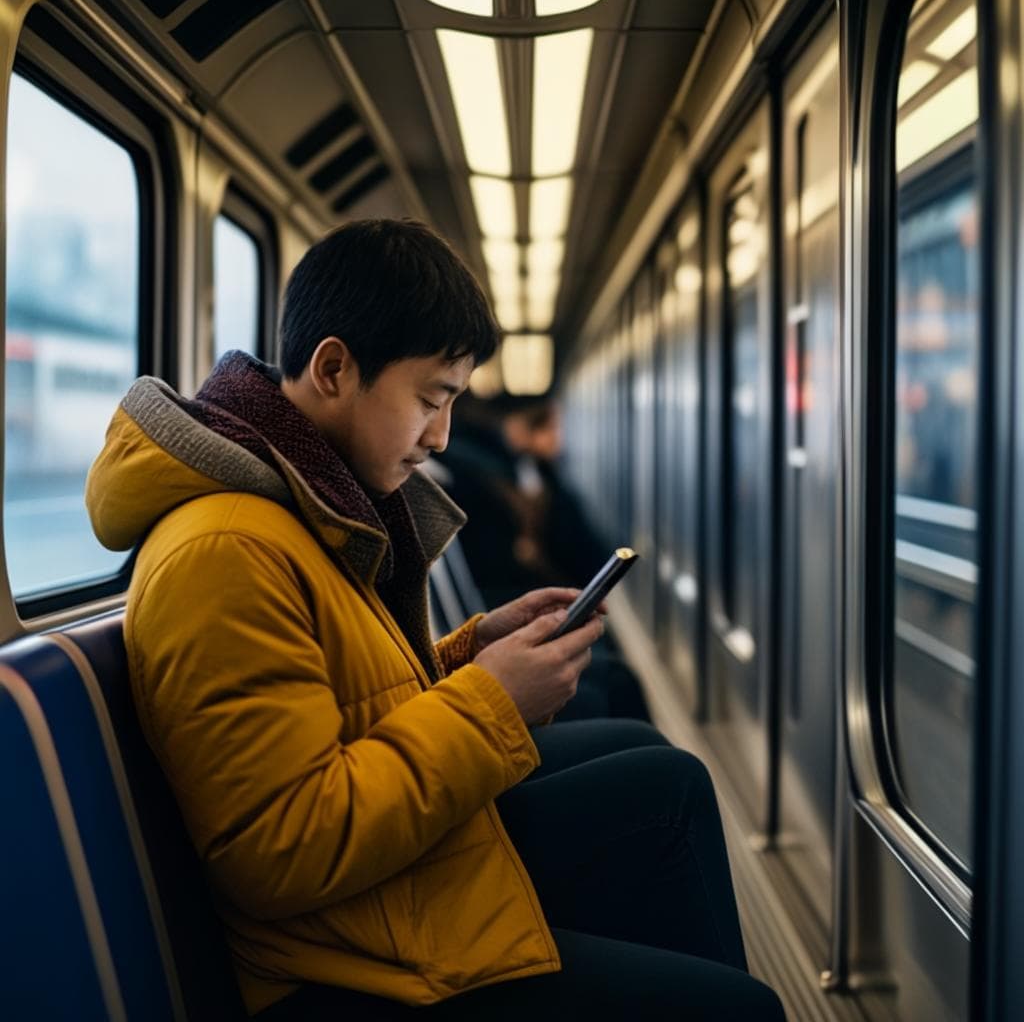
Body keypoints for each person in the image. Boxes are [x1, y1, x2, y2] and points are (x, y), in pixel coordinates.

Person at [86, 219, 784, 1020]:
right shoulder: (226, 553)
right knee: (736, 999)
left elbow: (343, 704)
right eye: (430, 399)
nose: (440, 436)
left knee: (666, 784)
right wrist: (491, 701)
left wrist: (468, 655)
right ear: (336, 369)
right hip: (337, 964)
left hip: (376, 904)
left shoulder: (300, 504)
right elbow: (282, 851)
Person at [440, 393, 650, 722]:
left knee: (614, 674)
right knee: (613, 684)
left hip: (496, 615)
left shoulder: (521, 472)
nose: (558, 440)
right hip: (497, 607)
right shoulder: (487, 481)